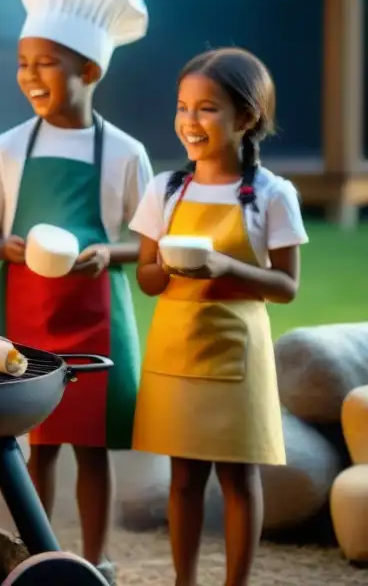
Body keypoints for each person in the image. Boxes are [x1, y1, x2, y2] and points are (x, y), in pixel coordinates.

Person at [0, 0, 154, 583]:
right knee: (35, 445)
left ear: (89, 71)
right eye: (23, 63)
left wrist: (109, 253)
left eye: (46, 63)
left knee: (91, 447)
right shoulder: (7, 149)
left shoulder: (125, 153)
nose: (29, 77)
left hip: (97, 315)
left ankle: (96, 560)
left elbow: (151, 243)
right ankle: (36, 556)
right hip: (28, 312)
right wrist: (9, 248)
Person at [128, 48, 307, 586]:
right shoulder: (164, 189)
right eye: (183, 106)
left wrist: (223, 265)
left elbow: (286, 287)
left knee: (238, 476)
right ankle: (184, 581)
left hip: (238, 351)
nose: (190, 121)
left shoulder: (273, 195)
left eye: (207, 108)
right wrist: (162, 267)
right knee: (182, 477)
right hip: (176, 345)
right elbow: (145, 277)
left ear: (245, 117)